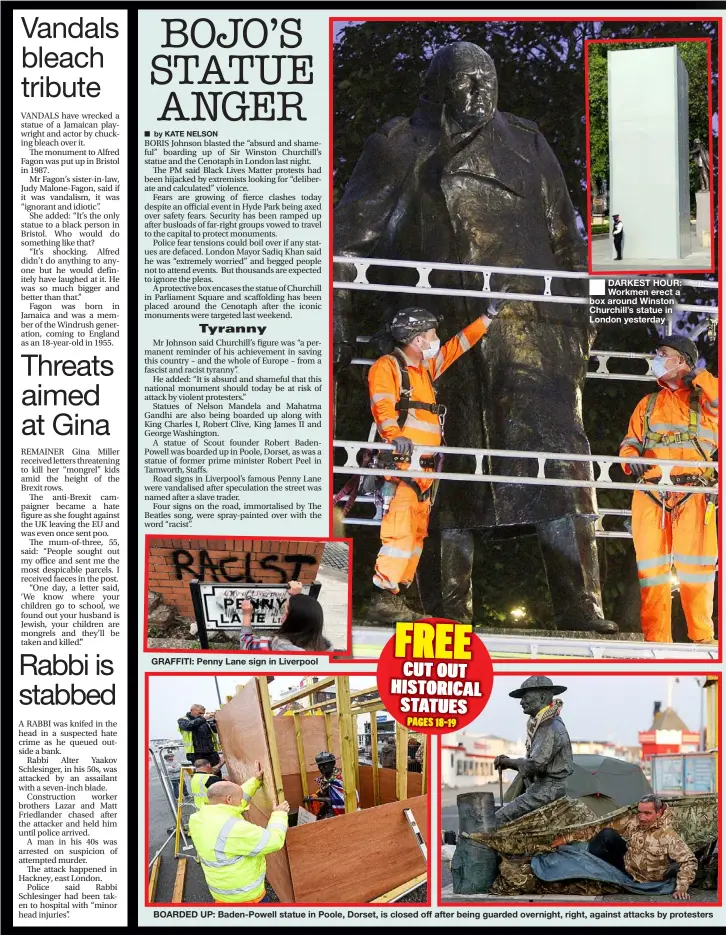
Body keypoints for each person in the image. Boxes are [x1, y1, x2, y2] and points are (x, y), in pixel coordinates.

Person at [334, 41, 618, 635]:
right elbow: (350, 243)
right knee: (447, 478)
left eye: (487, 79)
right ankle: (447, 610)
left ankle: (580, 604)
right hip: (440, 335)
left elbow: (565, 240)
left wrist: (580, 322)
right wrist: (336, 321)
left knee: (560, 467)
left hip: (532, 336)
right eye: (465, 82)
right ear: (440, 87)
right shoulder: (400, 146)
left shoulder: (528, 142)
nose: (479, 92)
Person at [365, 303, 499, 621]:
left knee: (415, 534)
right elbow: (382, 404)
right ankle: (384, 597)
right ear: (417, 340)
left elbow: (457, 347)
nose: (437, 339)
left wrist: (487, 318)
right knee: (400, 532)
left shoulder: (423, 368)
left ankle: (398, 594)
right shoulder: (388, 367)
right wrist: (393, 434)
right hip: (400, 465)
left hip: (422, 469)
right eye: (431, 334)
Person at [619, 335, 718, 644]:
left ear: (682, 361)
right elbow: (629, 442)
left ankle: (702, 639)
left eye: (663, 354)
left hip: (694, 494)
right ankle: (656, 643)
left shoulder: (704, 401)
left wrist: (699, 376)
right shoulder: (647, 404)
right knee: (652, 572)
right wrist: (629, 459)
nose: (657, 358)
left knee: (697, 571)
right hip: (650, 494)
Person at [550, 793, 698, 901]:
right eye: (640, 812)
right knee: (606, 833)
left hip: (646, 879)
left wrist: (682, 887)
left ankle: (588, 859)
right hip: (626, 865)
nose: (642, 817)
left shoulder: (668, 835)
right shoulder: (634, 822)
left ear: (659, 813)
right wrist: (565, 838)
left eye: (647, 813)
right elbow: (601, 826)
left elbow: (689, 860)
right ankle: (586, 861)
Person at [189, 766, 290, 904]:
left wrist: (255, 781)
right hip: (246, 898)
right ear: (229, 800)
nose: (242, 801)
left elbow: (239, 798)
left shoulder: (197, 819)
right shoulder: (234, 829)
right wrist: (279, 814)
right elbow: (273, 841)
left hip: (221, 894)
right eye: (239, 798)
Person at [493, 676, 573, 825]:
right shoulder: (541, 724)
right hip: (541, 788)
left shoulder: (550, 727)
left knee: (497, 819)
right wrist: (509, 762)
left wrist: (508, 762)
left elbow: (535, 764)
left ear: (542, 697)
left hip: (547, 791)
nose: (522, 702)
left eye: (525, 697)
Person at [239, 581, 332, 652]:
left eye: (286, 613)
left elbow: (246, 643)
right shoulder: (324, 648)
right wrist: (297, 598)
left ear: (293, 622)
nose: (283, 616)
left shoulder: (273, 646)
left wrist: (247, 615)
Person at [303, 751, 359, 818]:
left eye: (325, 765)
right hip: (328, 807)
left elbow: (338, 800)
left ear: (333, 763)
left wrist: (316, 799)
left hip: (342, 810)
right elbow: (323, 792)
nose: (321, 768)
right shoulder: (323, 779)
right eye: (319, 765)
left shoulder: (340, 780)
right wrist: (312, 797)